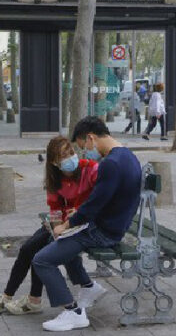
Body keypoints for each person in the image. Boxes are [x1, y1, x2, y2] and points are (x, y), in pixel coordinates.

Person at [33, 116, 142, 332]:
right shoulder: (128, 156)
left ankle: (74, 312)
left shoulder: (110, 164)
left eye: (83, 146)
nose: (85, 152)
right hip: (112, 226)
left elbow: (94, 205)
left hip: (102, 232)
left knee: (42, 260)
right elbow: (101, 202)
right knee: (60, 241)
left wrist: (67, 224)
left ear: (90, 138)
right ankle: (89, 286)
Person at [0, 136, 99, 316]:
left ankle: (33, 300)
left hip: (83, 225)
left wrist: (78, 212)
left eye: (71, 152)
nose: (70, 158)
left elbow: (102, 197)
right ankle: (8, 296)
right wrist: (56, 228)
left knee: (41, 253)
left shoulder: (90, 169)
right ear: (54, 162)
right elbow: (54, 210)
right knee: (27, 248)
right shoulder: (55, 180)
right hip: (63, 225)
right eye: (63, 156)